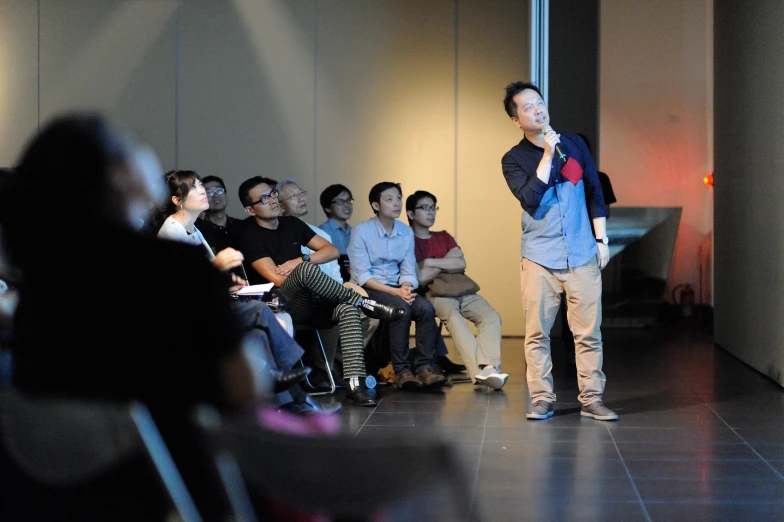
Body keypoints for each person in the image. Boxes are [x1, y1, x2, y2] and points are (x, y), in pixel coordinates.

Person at [0, 113, 261, 519]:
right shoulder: (178, 266)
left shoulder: (40, 279)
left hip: (66, 487)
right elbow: (243, 389)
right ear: (120, 175)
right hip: (173, 478)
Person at [157, 169, 332, 415]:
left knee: (260, 334)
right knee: (261, 310)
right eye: (196, 188)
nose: (204, 192)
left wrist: (230, 284)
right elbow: (181, 287)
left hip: (212, 308)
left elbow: (206, 278)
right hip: (195, 318)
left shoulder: (194, 230)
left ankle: (295, 403)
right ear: (178, 200)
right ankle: (292, 382)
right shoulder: (171, 232)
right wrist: (218, 269)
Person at [501, 81, 617, 421]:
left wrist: (602, 240)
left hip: (582, 251)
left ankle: (592, 399)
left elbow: (595, 191)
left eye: (539, 103)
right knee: (538, 333)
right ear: (516, 119)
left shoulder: (576, 144)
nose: (537, 109)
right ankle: (541, 398)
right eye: (527, 107)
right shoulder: (514, 159)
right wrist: (549, 155)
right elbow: (530, 198)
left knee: (588, 333)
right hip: (539, 257)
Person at [235, 176, 405, 407]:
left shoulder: (291, 224)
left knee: (346, 308)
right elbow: (276, 278)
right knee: (305, 270)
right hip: (284, 304)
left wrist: (301, 258)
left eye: (273, 194)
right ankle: (365, 303)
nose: (273, 200)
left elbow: (332, 250)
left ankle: (356, 384)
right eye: (264, 198)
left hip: (313, 300)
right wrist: (303, 265)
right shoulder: (249, 234)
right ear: (250, 209)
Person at [277, 179, 380, 388]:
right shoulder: (275, 235)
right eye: (293, 196)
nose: (301, 198)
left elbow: (335, 274)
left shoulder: (320, 234)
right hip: (295, 297)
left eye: (301, 193)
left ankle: (338, 364)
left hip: (327, 289)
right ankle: (325, 367)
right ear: (278, 204)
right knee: (350, 300)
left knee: (365, 304)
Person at [348, 182, 447, 390]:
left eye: (399, 198)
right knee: (400, 309)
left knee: (425, 308)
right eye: (389, 199)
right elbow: (362, 275)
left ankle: (424, 367)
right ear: (376, 205)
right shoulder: (362, 231)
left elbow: (408, 267)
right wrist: (396, 291)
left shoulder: (405, 232)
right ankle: (401, 370)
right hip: (369, 288)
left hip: (398, 287)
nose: (397, 203)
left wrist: (407, 287)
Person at [406, 190, 508, 390]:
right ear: (410, 214)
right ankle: (485, 369)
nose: (431, 212)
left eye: (433, 207)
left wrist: (429, 262)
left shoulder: (443, 236)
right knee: (454, 319)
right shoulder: (407, 240)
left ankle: (488, 370)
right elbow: (419, 277)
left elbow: (461, 263)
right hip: (437, 293)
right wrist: (445, 261)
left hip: (463, 290)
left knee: (491, 316)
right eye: (424, 207)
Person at [195, 174, 244, 253]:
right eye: (208, 192)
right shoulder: (197, 231)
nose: (215, 195)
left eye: (219, 190)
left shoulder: (242, 227)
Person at [319, 184, 354, 282]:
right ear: (327, 208)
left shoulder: (354, 231)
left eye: (349, 200)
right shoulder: (322, 232)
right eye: (340, 202)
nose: (347, 205)